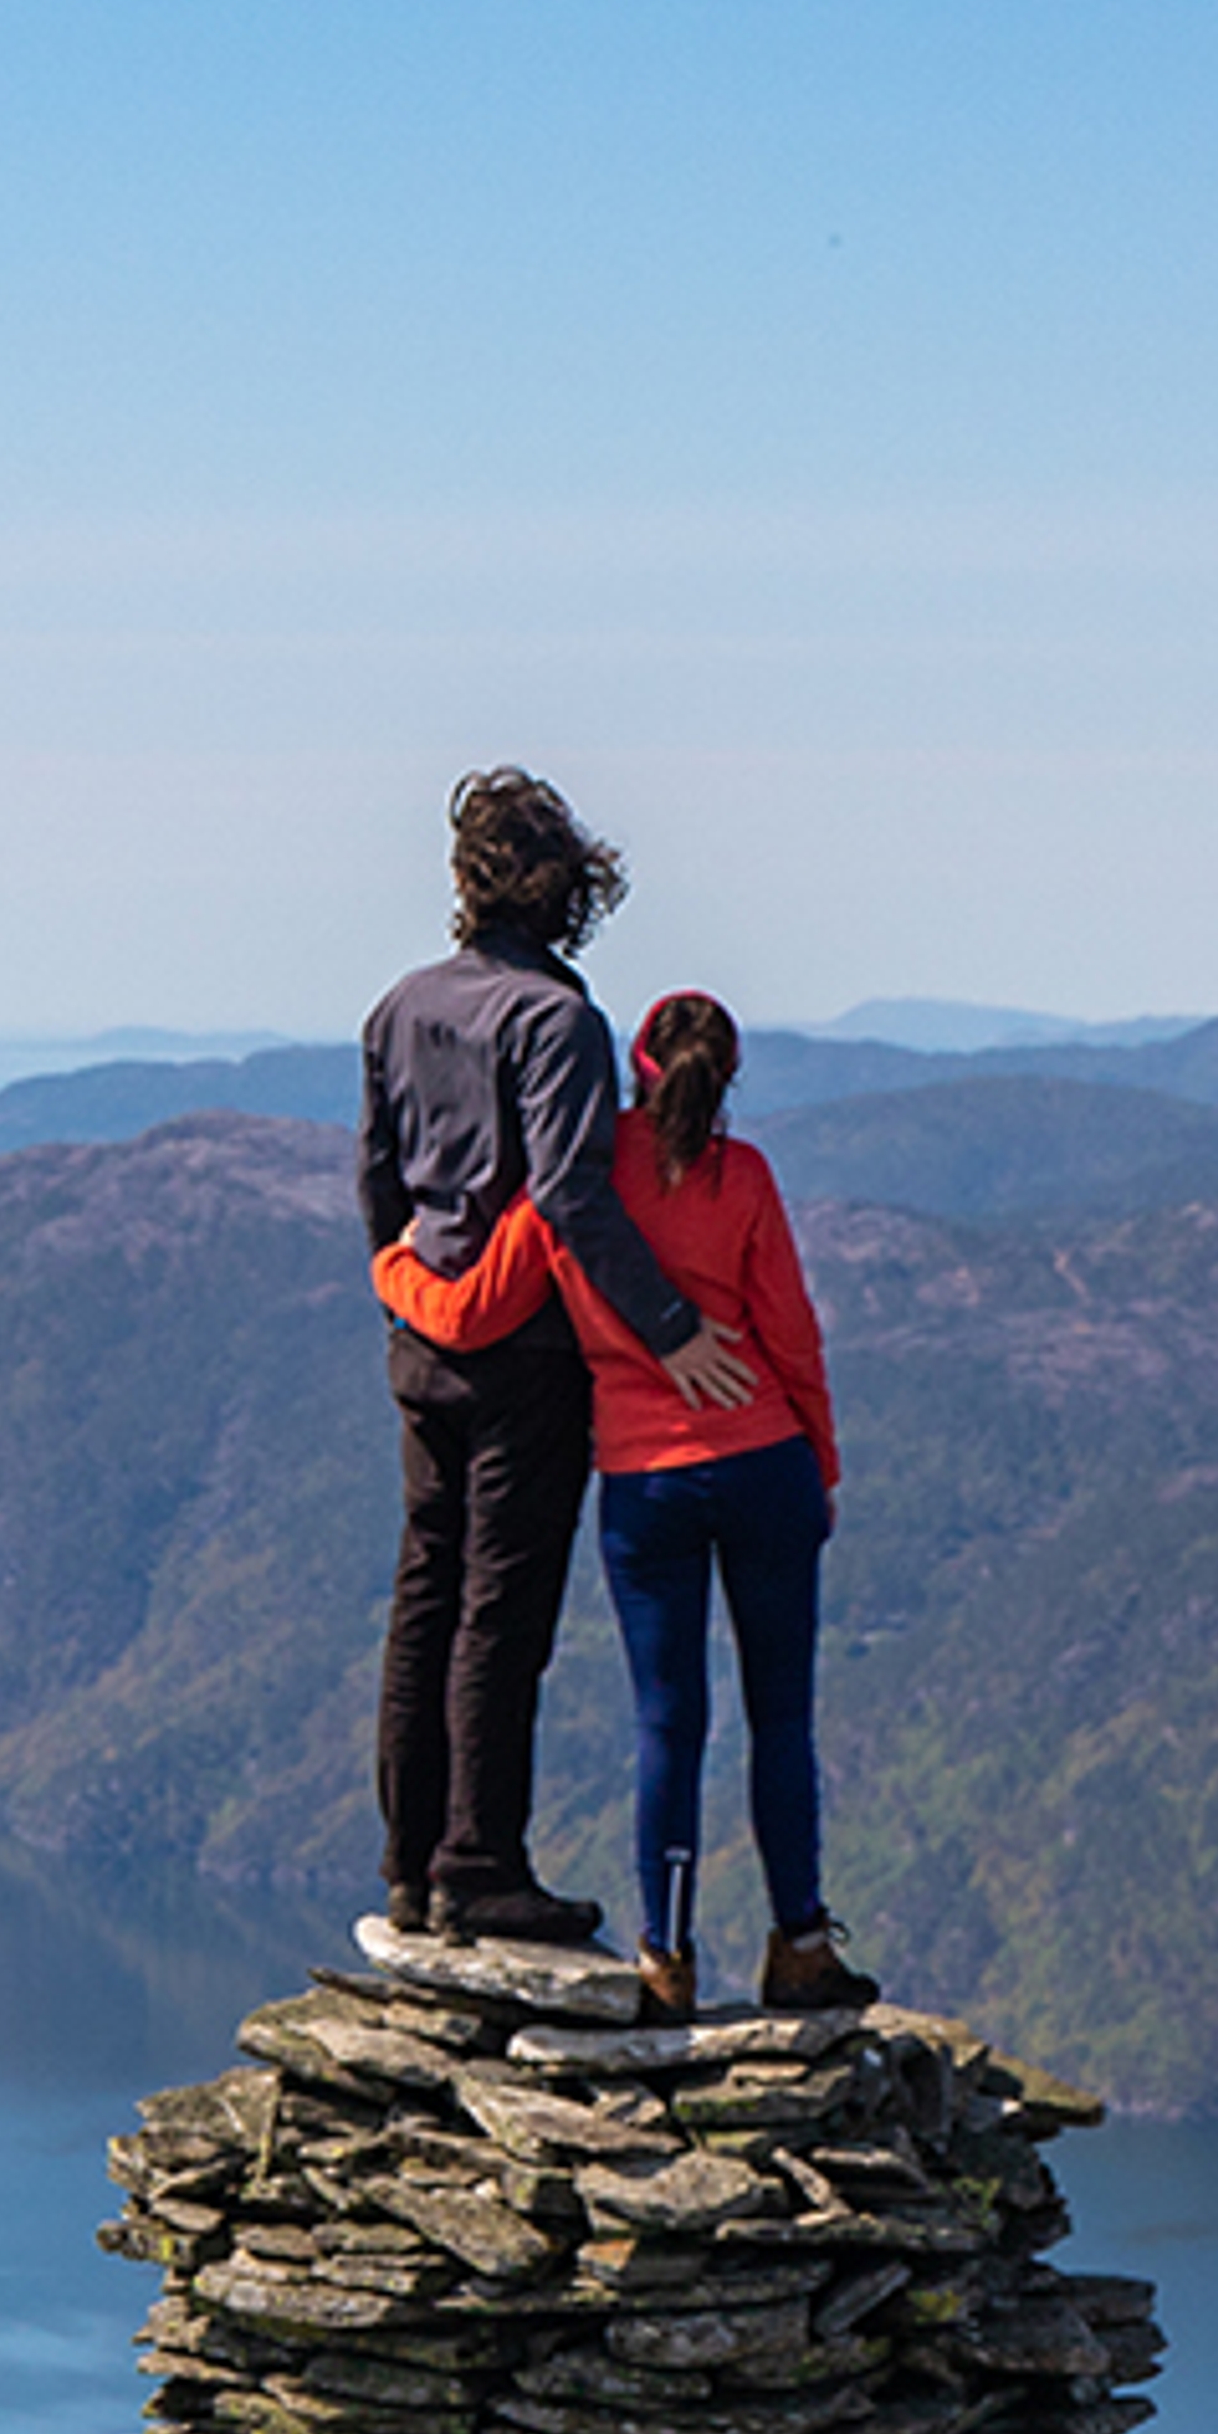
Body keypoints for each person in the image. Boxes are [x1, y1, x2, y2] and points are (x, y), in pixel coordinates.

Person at [359, 771, 754, 1942]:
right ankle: (479, 1865)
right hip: (527, 1355)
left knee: (424, 1593)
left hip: (423, 1340)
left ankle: (408, 1863)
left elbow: (378, 1187)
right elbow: (574, 1196)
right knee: (502, 1609)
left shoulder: (398, 1008)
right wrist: (674, 1334)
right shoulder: (557, 1023)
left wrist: (409, 1305)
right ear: (566, 887)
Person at [555, 986, 876, 2022]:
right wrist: (819, 1461)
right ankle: (802, 1942)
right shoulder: (746, 1178)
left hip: (645, 1482)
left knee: (669, 1720)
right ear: (726, 1076)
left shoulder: (585, 1176)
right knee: (781, 1713)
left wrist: (408, 1279)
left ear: (636, 1065)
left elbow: (519, 1277)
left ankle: (666, 1957)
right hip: (765, 1462)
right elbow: (790, 1332)